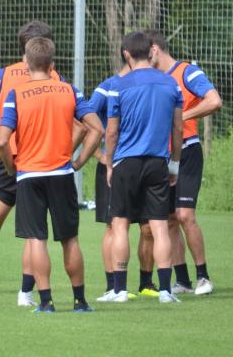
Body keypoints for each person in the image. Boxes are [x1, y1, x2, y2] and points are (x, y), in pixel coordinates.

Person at [0, 21, 84, 307]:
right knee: (35, 234)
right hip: (47, 163)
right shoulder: (57, 80)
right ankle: (26, 294)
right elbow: (80, 125)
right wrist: (65, 152)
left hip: (9, 161)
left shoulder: (3, 75)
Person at [0, 37, 103, 313]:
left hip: (29, 175)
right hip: (61, 174)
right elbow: (97, 129)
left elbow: (1, 140)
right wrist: (78, 161)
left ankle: (46, 302)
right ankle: (80, 301)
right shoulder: (69, 90)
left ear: (26, 63)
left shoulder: (16, 94)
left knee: (36, 239)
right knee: (70, 239)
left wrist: (11, 167)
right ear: (52, 64)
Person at [102, 32, 183, 304]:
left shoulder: (119, 85)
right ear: (151, 51)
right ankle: (165, 291)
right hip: (158, 163)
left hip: (126, 162)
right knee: (160, 227)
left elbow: (111, 132)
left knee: (121, 225)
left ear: (126, 54)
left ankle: (120, 290)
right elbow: (178, 128)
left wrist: (110, 163)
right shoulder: (171, 84)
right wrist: (174, 164)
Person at [145, 29, 222, 295]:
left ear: (154, 50)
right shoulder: (152, 79)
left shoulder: (187, 71)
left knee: (185, 214)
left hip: (187, 151)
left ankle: (203, 277)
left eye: (146, 53)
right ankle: (183, 281)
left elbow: (214, 100)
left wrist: (181, 117)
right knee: (168, 220)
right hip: (161, 157)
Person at [89, 64, 159, 301]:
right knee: (114, 225)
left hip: (143, 166)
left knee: (148, 227)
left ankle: (146, 283)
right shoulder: (106, 88)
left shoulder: (150, 86)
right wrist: (101, 156)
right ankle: (113, 286)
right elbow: (83, 121)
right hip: (113, 167)